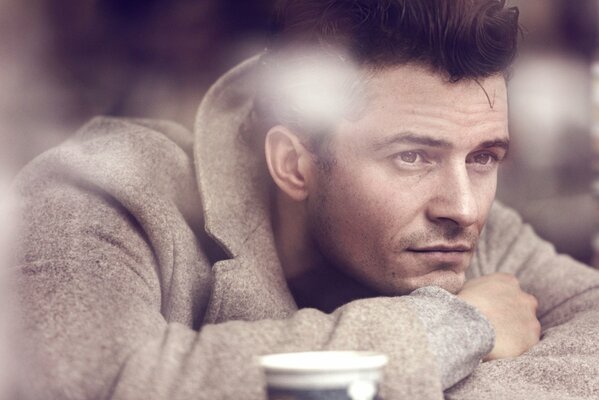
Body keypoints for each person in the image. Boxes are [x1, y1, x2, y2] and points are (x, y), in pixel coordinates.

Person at [12, 0, 599, 399]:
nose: (465, 209)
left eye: (483, 157)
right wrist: (452, 328)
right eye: (412, 157)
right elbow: (92, 382)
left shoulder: (465, 230)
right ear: (293, 163)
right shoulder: (98, 195)